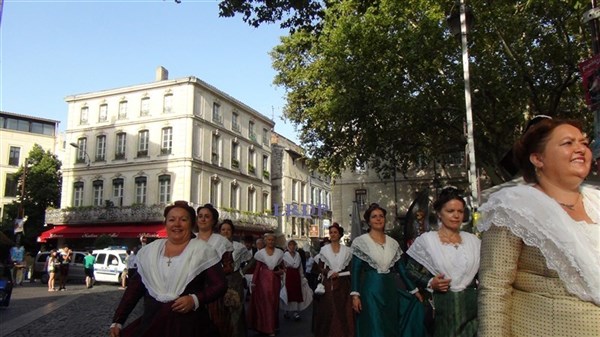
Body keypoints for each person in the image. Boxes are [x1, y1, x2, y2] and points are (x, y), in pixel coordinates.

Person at [478, 117, 600, 336]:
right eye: (568, 143)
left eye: (584, 143)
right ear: (538, 158)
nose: (581, 149)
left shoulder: (597, 202)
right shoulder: (512, 206)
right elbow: (495, 288)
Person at [110, 200, 227, 337]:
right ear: (165, 223)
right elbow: (134, 290)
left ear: (191, 224)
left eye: (183, 220)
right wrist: (118, 321)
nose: (177, 224)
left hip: (189, 326)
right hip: (153, 322)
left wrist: (195, 299)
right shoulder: (149, 252)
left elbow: (220, 285)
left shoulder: (203, 251)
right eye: (172, 220)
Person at [406, 187, 480, 337]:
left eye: (460, 211)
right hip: (444, 306)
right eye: (450, 211)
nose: (456, 215)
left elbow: (483, 274)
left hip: (473, 308)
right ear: (439, 213)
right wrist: (430, 282)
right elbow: (409, 269)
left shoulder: (474, 241)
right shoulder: (427, 240)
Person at [351, 203, 423, 337]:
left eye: (381, 216)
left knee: (390, 326)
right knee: (374, 326)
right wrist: (355, 295)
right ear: (368, 221)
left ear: (385, 219)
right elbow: (355, 270)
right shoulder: (360, 242)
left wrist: (414, 290)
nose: (378, 219)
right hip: (370, 291)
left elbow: (402, 269)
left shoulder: (393, 243)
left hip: (390, 292)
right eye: (374, 217)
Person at [196, 203, 234, 337]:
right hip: (192, 290)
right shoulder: (190, 239)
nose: (203, 219)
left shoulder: (222, 242)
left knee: (215, 326)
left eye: (207, 216)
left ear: (213, 221)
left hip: (213, 292)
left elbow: (229, 267)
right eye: (200, 216)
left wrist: (211, 274)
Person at [313, 223, 354, 337]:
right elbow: (320, 267)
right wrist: (328, 272)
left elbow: (350, 268)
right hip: (329, 284)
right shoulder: (324, 250)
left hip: (343, 284)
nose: (333, 234)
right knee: (329, 309)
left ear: (340, 234)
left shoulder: (347, 251)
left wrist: (342, 274)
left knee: (342, 309)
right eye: (331, 232)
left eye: (335, 232)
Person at [247, 233, 284, 337]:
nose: (271, 242)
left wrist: (280, 272)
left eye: (272, 240)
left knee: (274, 304)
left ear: (275, 241)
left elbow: (283, 267)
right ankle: (267, 328)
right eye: (269, 240)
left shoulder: (279, 253)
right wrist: (253, 282)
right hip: (262, 281)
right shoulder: (261, 254)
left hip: (275, 281)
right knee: (265, 304)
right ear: (265, 241)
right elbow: (257, 269)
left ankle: (273, 325)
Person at [219, 219, 251, 337]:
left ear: (232, 232)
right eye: (223, 229)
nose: (225, 232)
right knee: (221, 309)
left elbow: (250, 260)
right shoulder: (213, 246)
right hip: (219, 279)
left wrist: (242, 272)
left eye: (228, 229)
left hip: (235, 280)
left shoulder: (239, 247)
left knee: (236, 308)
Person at [281, 240, 306, 320]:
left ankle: (295, 312)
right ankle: (286, 311)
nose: (292, 247)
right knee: (288, 293)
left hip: (296, 276)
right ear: (288, 246)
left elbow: (300, 266)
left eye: (293, 245)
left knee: (296, 293)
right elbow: (281, 265)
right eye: (290, 245)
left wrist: (302, 276)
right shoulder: (285, 255)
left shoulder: (298, 254)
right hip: (288, 275)